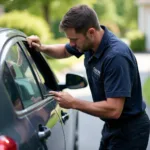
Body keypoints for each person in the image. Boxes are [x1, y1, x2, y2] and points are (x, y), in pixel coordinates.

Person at [27, 4, 150, 150]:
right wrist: (41, 48)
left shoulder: (116, 57)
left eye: (74, 39)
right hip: (112, 127)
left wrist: (74, 103)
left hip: (130, 132)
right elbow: (64, 51)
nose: (71, 44)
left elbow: (114, 109)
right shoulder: (90, 44)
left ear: (91, 32)